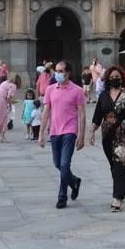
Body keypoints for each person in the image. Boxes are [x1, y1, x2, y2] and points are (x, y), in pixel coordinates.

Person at [89, 66, 125, 212]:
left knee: (121, 165)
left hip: (123, 135)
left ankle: (116, 198)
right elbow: (98, 114)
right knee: (113, 166)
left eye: (117, 76)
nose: (115, 79)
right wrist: (92, 131)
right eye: (112, 77)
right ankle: (120, 191)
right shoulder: (103, 95)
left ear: (122, 78)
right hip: (107, 136)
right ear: (108, 79)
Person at [39, 61, 85, 209]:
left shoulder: (77, 90)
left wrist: (82, 136)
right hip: (54, 131)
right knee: (58, 164)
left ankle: (62, 196)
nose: (57, 73)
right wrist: (41, 133)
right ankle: (74, 181)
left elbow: (82, 115)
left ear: (68, 73)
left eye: (60, 71)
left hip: (70, 131)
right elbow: (46, 112)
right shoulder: (50, 90)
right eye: (56, 71)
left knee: (65, 164)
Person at [0, 72, 21, 142]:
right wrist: (11, 105)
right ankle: (3, 137)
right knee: (4, 118)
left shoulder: (6, 82)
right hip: (0, 100)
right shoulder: (13, 86)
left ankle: (0, 137)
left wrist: (10, 101)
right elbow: (9, 98)